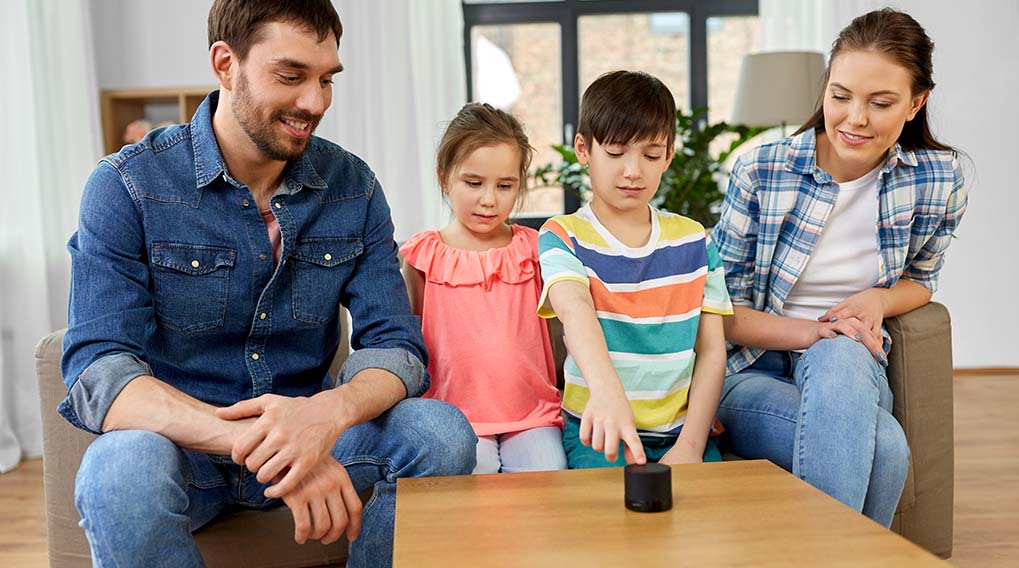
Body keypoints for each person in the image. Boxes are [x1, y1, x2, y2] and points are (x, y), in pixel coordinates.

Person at [60, 1, 476, 566]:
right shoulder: (126, 185)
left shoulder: (352, 187)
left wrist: (328, 416)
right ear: (226, 64)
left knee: (440, 432)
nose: (315, 102)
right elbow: (100, 373)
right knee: (121, 468)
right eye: (291, 76)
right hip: (188, 452)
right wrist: (274, 449)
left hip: (317, 434)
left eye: (327, 79)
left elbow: (395, 347)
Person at [711, 8, 968, 527]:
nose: (855, 118)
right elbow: (722, 312)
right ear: (825, 88)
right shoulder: (762, 169)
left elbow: (922, 278)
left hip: (851, 368)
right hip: (749, 370)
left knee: (845, 355)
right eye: (840, 95)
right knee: (888, 448)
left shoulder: (939, 179)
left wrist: (878, 299)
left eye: (881, 103)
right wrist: (819, 331)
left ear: (917, 102)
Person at [537, 70, 733, 469]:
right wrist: (607, 393)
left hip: (683, 433)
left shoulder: (696, 240)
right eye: (615, 152)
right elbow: (575, 313)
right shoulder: (562, 235)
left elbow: (713, 351)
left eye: (651, 154)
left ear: (670, 155)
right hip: (598, 431)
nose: (633, 170)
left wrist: (692, 446)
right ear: (583, 149)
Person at [400, 103, 566, 474]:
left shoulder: (536, 249)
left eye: (505, 185)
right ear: (445, 177)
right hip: (455, 417)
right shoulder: (423, 255)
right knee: (473, 479)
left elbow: (558, 337)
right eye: (473, 183)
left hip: (531, 413)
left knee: (548, 469)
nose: (489, 199)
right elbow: (408, 340)